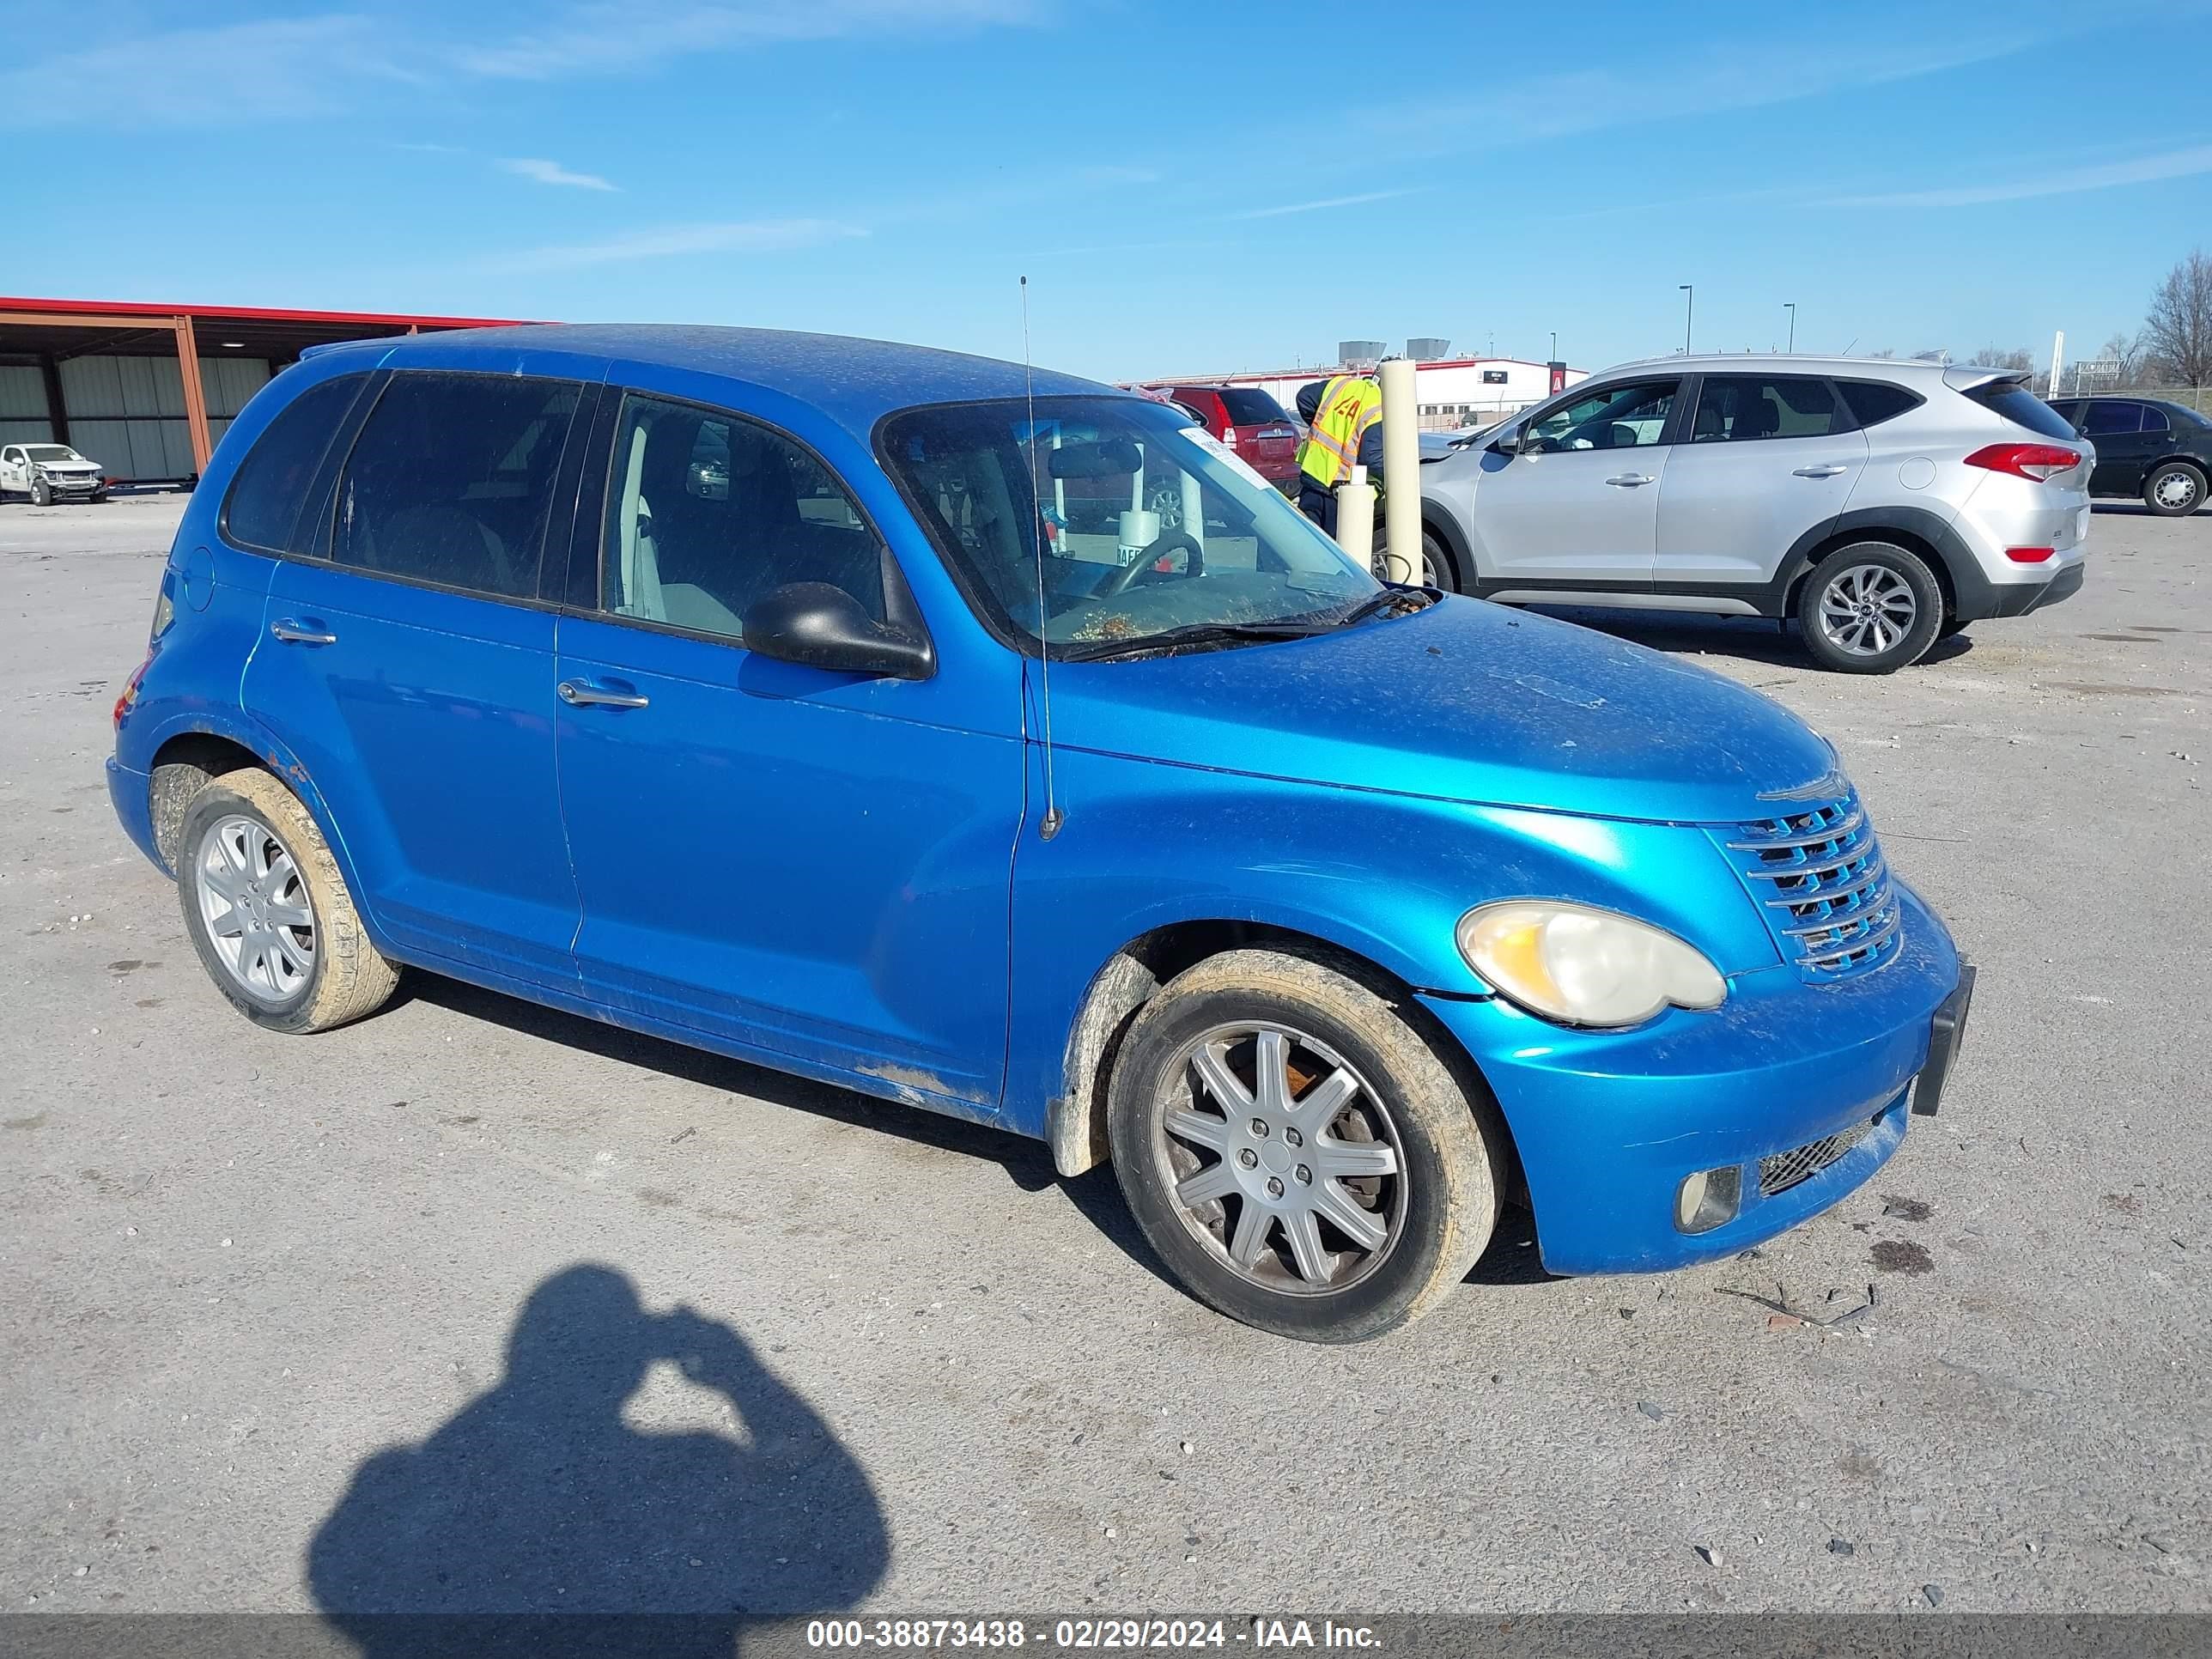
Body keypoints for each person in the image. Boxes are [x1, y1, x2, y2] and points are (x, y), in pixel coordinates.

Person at [1293, 367, 1385, 538]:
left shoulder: (1343, 385)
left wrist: (1322, 425)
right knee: (1333, 554)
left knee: (1306, 544)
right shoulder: (1380, 405)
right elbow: (1371, 457)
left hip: (1313, 476)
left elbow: (1304, 397)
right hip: (1341, 489)